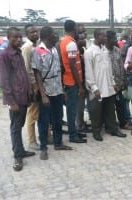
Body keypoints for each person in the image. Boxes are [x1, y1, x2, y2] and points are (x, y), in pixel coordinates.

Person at [32, 26, 73, 160]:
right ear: (47, 35)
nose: (57, 36)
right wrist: (43, 95)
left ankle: (58, 142)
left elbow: (59, 71)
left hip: (57, 91)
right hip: (46, 92)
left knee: (58, 118)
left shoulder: (55, 50)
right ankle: (43, 147)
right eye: (55, 34)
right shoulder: (38, 51)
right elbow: (37, 74)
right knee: (44, 121)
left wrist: (62, 90)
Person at [0, 27, 35, 171]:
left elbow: (23, 75)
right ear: (8, 37)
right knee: (15, 127)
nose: (19, 39)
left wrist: (29, 92)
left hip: (23, 97)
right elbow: (4, 81)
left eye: (20, 37)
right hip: (15, 99)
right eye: (15, 37)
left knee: (19, 126)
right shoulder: (5, 55)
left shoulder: (18, 53)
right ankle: (17, 157)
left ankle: (20, 150)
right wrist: (11, 101)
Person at [84, 29, 126, 141]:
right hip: (97, 87)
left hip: (108, 86)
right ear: (97, 37)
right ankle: (96, 131)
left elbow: (109, 69)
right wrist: (94, 88)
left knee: (110, 110)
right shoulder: (89, 52)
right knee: (96, 111)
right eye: (103, 37)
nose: (105, 39)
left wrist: (113, 83)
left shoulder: (105, 51)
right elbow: (88, 72)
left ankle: (113, 129)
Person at [59, 20, 87, 143]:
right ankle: (72, 135)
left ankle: (74, 132)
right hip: (72, 81)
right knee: (72, 110)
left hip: (70, 80)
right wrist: (80, 85)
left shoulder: (65, 41)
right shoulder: (71, 44)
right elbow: (72, 65)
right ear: (74, 28)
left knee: (72, 109)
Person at [105, 30, 132, 130]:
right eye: (114, 38)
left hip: (119, 83)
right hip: (108, 84)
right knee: (109, 106)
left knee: (120, 104)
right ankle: (109, 125)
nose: (116, 40)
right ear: (107, 39)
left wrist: (124, 80)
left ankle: (123, 123)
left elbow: (121, 65)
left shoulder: (117, 50)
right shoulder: (103, 52)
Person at [75, 23, 92, 133]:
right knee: (79, 104)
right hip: (77, 81)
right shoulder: (74, 46)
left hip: (85, 79)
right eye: (81, 32)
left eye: (85, 32)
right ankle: (79, 125)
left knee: (83, 102)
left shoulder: (84, 46)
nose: (84, 34)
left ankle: (81, 122)